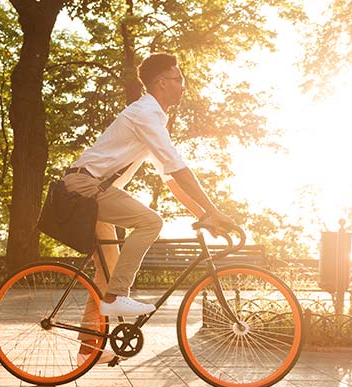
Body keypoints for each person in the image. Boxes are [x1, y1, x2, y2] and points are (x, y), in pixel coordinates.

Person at [64, 53, 236, 364]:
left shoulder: (153, 118)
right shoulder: (144, 113)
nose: (183, 86)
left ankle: (89, 350)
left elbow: (170, 179)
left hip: (97, 189)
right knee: (150, 222)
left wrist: (203, 215)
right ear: (161, 83)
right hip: (86, 187)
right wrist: (213, 210)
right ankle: (117, 298)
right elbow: (179, 167)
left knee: (109, 274)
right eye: (178, 79)